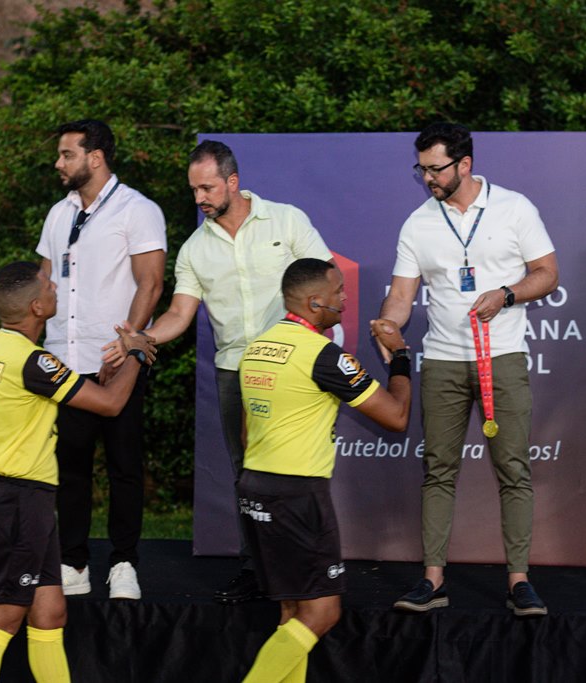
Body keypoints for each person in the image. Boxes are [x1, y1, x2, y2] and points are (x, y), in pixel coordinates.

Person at [103, 140, 332, 604]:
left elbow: (326, 283)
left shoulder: (287, 221)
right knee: (246, 475)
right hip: (234, 374)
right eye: (193, 190)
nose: (199, 198)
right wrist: (142, 336)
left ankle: (307, 566)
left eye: (207, 188)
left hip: (293, 367)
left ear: (232, 181)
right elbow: (179, 314)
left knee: (298, 469)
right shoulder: (194, 249)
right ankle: (256, 569)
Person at [373, 122, 558, 616]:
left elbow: (547, 273)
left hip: (503, 357)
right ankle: (433, 580)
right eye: (421, 169)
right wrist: (388, 324)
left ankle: (519, 580)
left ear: (465, 164)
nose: (427, 178)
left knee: (513, 469)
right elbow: (401, 296)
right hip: (442, 361)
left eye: (435, 169)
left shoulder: (514, 208)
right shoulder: (418, 223)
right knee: (438, 470)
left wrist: (507, 295)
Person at [0, 261, 155, 682]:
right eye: (49, 285)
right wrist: (136, 354)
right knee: (1, 617)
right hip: (20, 503)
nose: (55, 288)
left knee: (50, 613)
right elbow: (110, 405)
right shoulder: (34, 362)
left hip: (20, 500)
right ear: (36, 307)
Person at [236, 258, 411, 683]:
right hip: (298, 496)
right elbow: (396, 416)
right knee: (322, 613)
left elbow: (245, 433)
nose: (345, 299)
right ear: (315, 302)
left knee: (292, 612)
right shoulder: (323, 355)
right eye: (338, 292)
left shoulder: (257, 347)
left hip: (254, 487)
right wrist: (401, 357)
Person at [36, 119, 167, 599]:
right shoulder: (58, 214)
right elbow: (44, 283)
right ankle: (73, 563)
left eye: (67, 154)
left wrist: (129, 344)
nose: (58, 163)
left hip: (116, 359)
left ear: (95, 158)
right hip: (63, 361)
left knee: (124, 466)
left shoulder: (138, 209)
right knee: (69, 467)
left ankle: (124, 563)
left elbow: (151, 282)